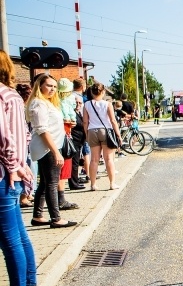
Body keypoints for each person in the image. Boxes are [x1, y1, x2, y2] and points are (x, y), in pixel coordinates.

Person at [0, 51, 41, 286]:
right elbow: (21, 135)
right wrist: (19, 165)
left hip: (4, 174)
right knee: (18, 234)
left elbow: (5, 137)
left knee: (9, 237)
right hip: (11, 172)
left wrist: (12, 165)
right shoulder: (11, 95)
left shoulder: (2, 96)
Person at [26, 74, 77, 228]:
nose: (52, 89)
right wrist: (56, 151)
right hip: (47, 147)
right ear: (39, 86)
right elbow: (42, 130)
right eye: (49, 85)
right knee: (52, 183)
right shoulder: (39, 104)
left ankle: (38, 216)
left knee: (45, 183)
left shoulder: (47, 103)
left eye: (54, 86)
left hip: (50, 145)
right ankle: (56, 218)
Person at [83, 82, 123, 191]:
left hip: (92, 130)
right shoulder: (107, 104)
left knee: (94, 159)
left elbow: (85, 122)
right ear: (103, 92)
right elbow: (113, 120)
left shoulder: (86, 104)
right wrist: (118, 135)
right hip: (105, 131)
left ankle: (93, 184)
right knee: (108, 158)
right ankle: (112, 183)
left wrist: (86, 134)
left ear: (91, 92)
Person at [57, 79, 80, 208]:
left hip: (64, 135)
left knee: (60, 171)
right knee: (62, 170)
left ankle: (59, 199)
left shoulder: (58, 101)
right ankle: (60, 200)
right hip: (63, 137)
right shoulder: (61, 102)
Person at [14, 83, 35, 208]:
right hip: (22, 145)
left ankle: (27, 195)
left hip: (24, 143)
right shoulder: (20, 107)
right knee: (27, 168)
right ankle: (23, 197)